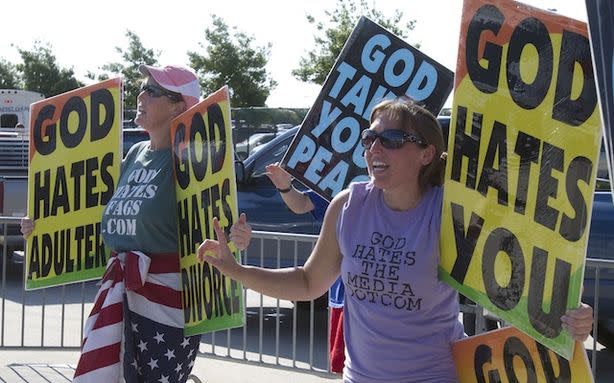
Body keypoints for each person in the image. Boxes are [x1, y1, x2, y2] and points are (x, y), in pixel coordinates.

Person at [197, 97, 594, 382]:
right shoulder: (347, 205)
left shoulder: (451, 213)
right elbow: (307, 282)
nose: (373, 147)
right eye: (370, 138)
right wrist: (237, 270)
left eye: (390, 139)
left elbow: (523, 286)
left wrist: (571, 316)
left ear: (426, 154)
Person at [21, 64, 252, 383]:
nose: (141, 95)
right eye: (143, 88)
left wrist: (237, 238)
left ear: (179, 106)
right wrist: (41, 227)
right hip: (122, 293)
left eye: (153, 91)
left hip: (169, 304)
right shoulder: (135, 154)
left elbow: (215, 225)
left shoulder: (191, 157)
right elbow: (101, 219)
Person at [265, 162, 345, 374]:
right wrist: (285, 186)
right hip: (343, 299)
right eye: (368, 139)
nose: (374, 147)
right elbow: (301, 204)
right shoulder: (344, 187)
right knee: (346, 369)